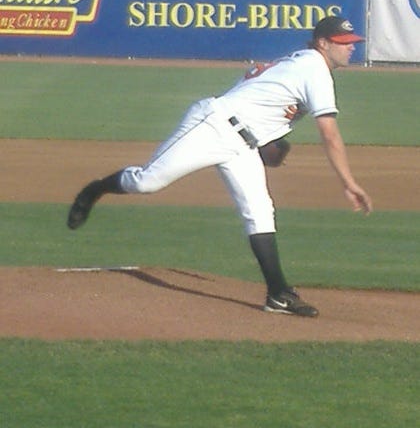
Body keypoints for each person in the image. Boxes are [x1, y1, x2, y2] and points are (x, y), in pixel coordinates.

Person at [67, 16, 372, 318]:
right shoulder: (315, 69)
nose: (350, 48)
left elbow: (260, 97)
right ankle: (94, 189)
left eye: (352, 43)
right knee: (147, 182)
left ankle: (278, 294)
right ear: (323, 43)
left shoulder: (299, 63)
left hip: (242, 144)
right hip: (213, 126)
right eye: (343, 43)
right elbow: (329, 134)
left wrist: (273, 140)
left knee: (260, 211)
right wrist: (348, 182)